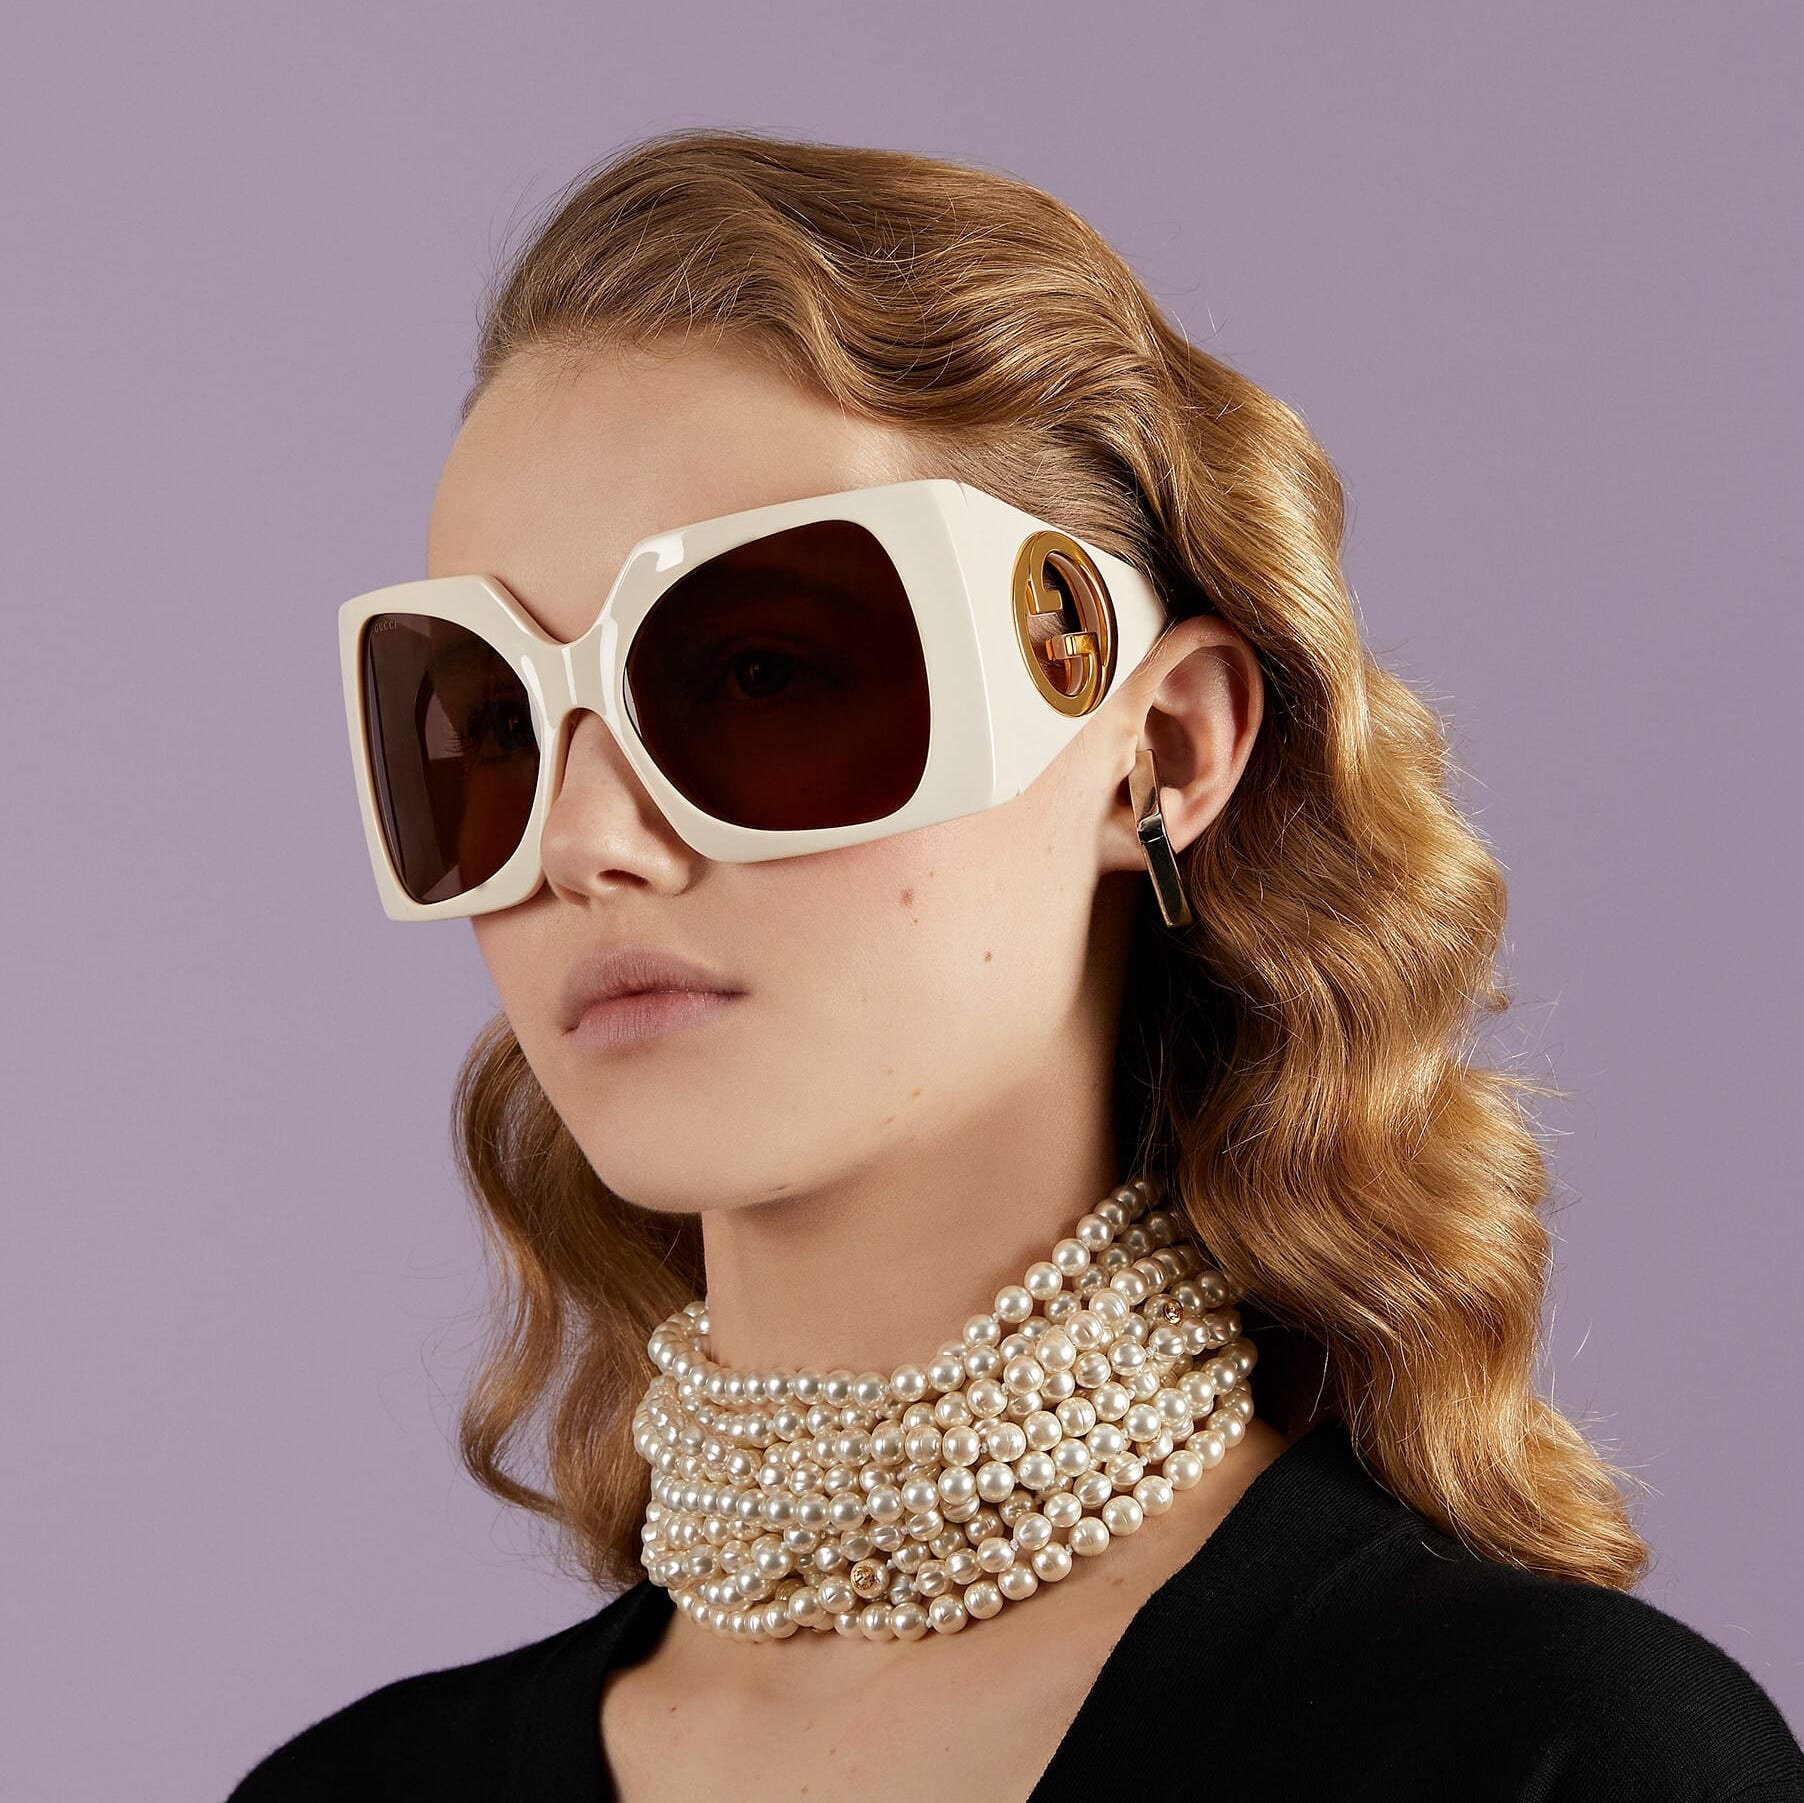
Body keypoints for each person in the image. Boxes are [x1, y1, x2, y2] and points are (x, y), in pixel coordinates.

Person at [228, 129, 1804, 1801]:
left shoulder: (1551, 1758)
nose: (585, 839)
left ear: (1161, 753)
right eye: (492, 721)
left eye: (761, 674)